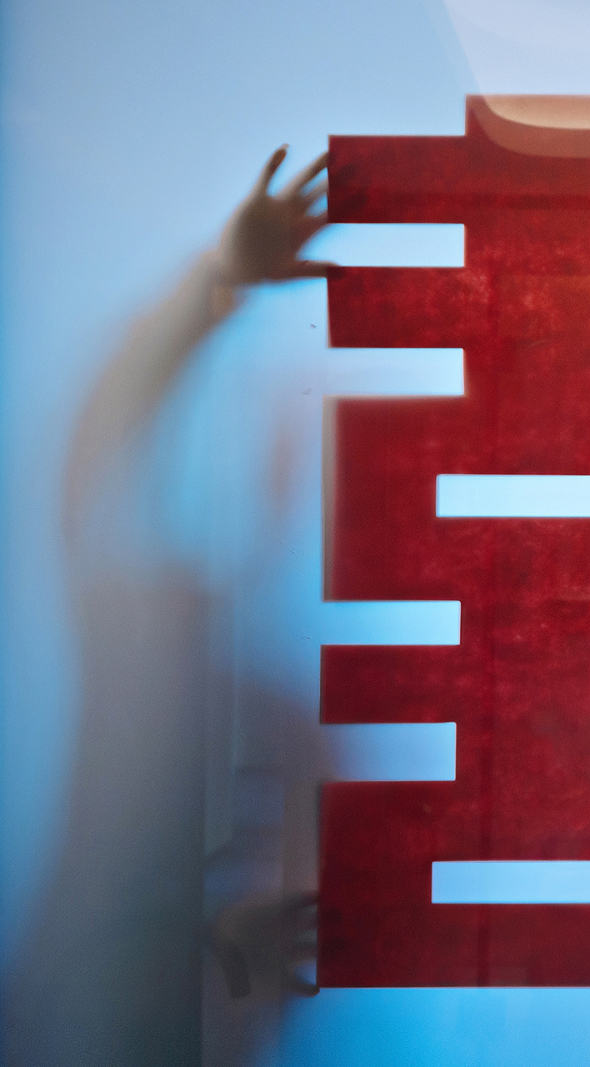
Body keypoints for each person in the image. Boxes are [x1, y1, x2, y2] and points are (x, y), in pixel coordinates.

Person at [3, 147, 331, 1067]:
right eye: (284, 448)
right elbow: (92, 457)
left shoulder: (302, 735)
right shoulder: (148, 638)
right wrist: (213, 287)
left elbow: (301, 961)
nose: (292, 484)